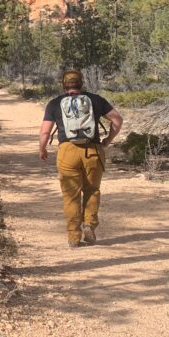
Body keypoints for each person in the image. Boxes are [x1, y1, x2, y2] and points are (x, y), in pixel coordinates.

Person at [39, 70, 123, 248]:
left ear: (63, 84)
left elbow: (45, 131)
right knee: (92, 190)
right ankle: (89, 225)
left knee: (71, 195)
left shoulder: (55, 103)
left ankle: (73, 236)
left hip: (67, 152)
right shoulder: (96, 100)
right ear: (81, 83)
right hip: (93, 150)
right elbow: (117, 120)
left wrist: (42, 148)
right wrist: (108, 140)